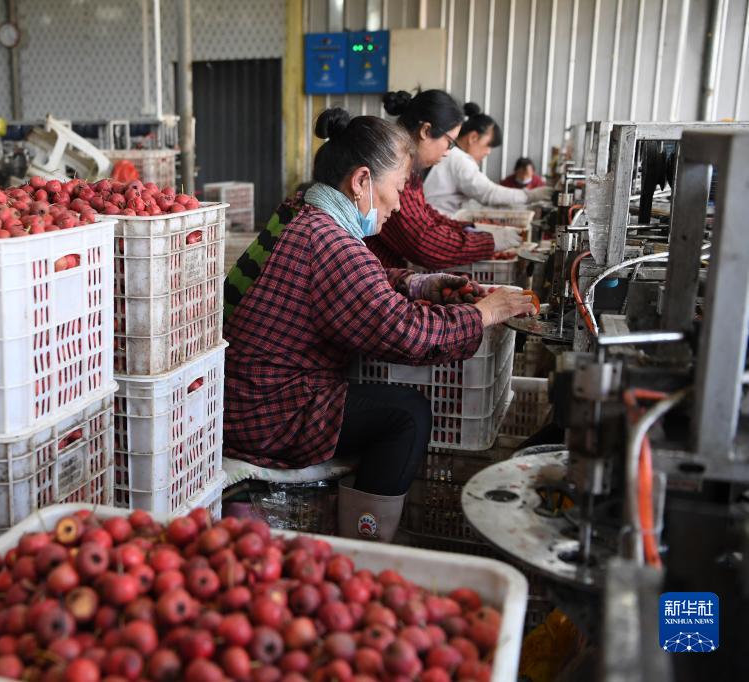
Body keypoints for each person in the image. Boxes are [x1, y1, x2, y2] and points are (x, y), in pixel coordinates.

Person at [223, 108, 536, 542]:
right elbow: (405, 333)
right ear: (362, 181)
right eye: (396, 188)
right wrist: (485, 313)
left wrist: (419, 284)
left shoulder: (303, 211)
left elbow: (360, 282)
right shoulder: (329, 242)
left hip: (244, 394)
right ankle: (367, 543)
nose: (399, 203)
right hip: (270, 411)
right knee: (406, 415)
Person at [368, 90, 523, 269]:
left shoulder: (410, 168)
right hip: (373, 271)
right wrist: (487, 241)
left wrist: (469, 228)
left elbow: (426, 214)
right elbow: (423, 243)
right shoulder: (392, 168)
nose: (449, 151)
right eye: (449, 142)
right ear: (426, 130)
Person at [424, 103, 554, 216]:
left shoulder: (453, 155)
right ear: (473, 137)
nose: (488, 151)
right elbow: (488, 193)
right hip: (435, 224)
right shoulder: (459, 159)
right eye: (488, 145)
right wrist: (529, 196)